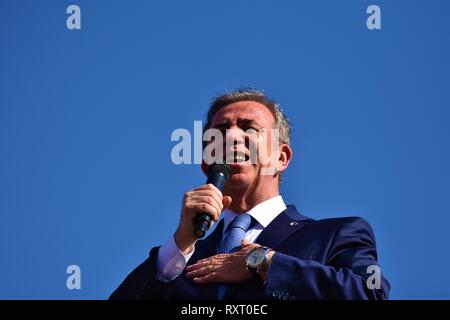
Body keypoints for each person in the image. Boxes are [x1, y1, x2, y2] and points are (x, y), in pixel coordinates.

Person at [110, 89, 390, 300]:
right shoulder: (180, 263)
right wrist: (180, 242)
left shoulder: (335, 235)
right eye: (220, 131)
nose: (231, 137)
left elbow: (370, 293)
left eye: (248, 128)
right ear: (207, 161)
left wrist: (264, 264)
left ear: (281, 158)